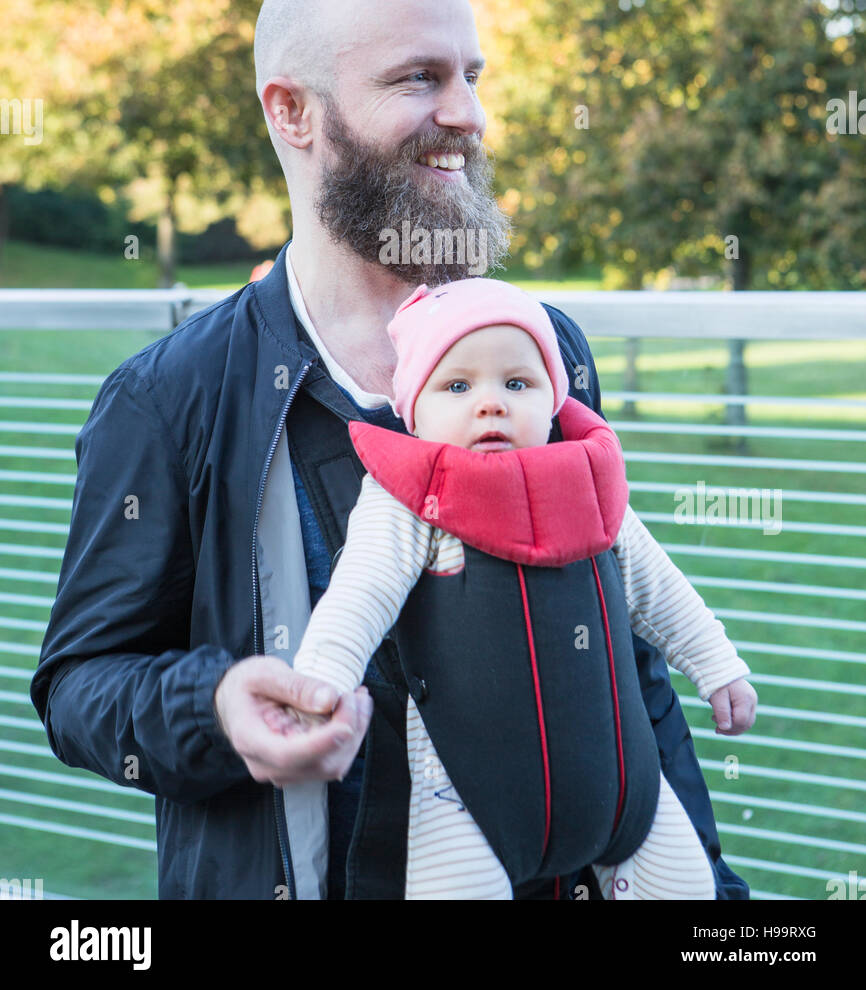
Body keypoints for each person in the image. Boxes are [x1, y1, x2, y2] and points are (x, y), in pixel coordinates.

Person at [31, 0, 751, 900]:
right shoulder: (167, 400)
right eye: (420, 78)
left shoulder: (542, 348)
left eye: (471, 77)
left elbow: (623, 658)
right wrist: (212, 708)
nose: (468, 115)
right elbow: (80, 685)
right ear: (291, 111)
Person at [281, 278, 757, 900]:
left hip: (621, 783)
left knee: (688, 891)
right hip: (465, 797)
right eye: (457, 385)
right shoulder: (411, 502)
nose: (491, 403)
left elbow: (658, 587)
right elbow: (359, 595)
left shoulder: (585, 480)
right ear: (412, 409)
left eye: (517, 383)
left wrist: (718, 666)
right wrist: (318, 684)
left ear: (553, 399)